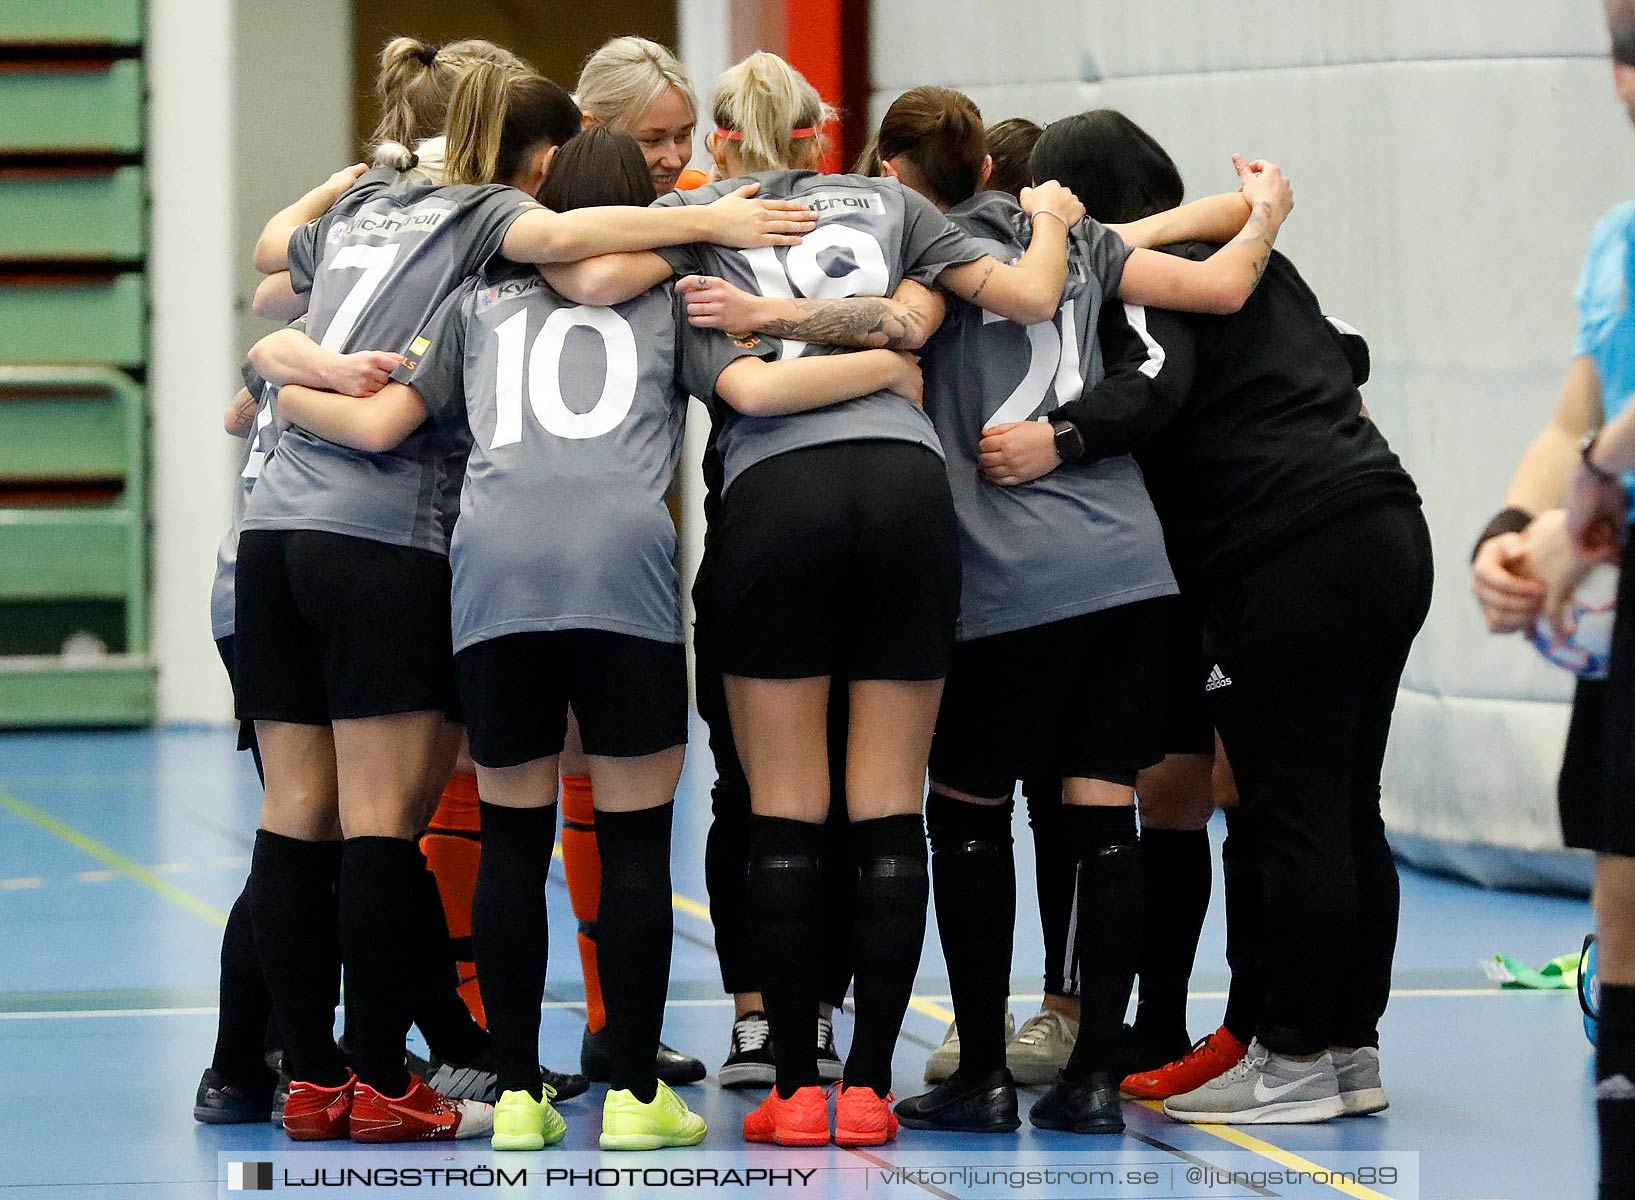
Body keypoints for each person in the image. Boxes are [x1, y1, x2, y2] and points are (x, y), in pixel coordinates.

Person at [238, 64, 817, 1144]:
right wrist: (878, 355)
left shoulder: (475, 297)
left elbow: (366, 404)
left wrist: (272, 363)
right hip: (622, 571)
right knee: (636, 842)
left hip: (486, 571)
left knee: (506, 842)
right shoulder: (669, 291)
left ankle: (506, 1094)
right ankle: (638, 1095)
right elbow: (748, 390)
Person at [835, 86, 1290, 1135]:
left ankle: (984, 1068)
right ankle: (1094, 1077)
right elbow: (1220, 289)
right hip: (1126, 568)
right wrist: (1264, 208)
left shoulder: (929, 255)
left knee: (972, 816)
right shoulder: (1085, 250)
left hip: (1003, 572)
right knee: (1099, 816)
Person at [1014, 108, 1430, 1125]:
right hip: (1384, 525)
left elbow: (1159, 392)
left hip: (1290, 551)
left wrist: (1058, 437)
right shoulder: (1255, 260)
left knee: (1288, 807)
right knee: (1343, 803)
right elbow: (1346, 362)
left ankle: (1288, 1054)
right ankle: (1342, 1048)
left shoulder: (1152, 287)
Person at [1477, 6, 1635, 1191]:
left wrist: (1583, 507)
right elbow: (1579, 413)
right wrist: (1517, 537)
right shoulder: (1619, 237)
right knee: (1621, 869)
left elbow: (1603, 452)